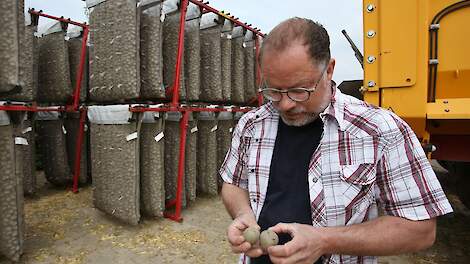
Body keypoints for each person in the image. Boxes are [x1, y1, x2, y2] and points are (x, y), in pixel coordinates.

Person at [219, 17, 453, 264]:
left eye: (299, 90)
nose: (285, 104)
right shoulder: (251, 124)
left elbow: (421, 230)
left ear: (329, 70)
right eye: (273, 91)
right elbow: (233, 183)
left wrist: (325, 240)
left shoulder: (380, 130)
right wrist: (243, 214)